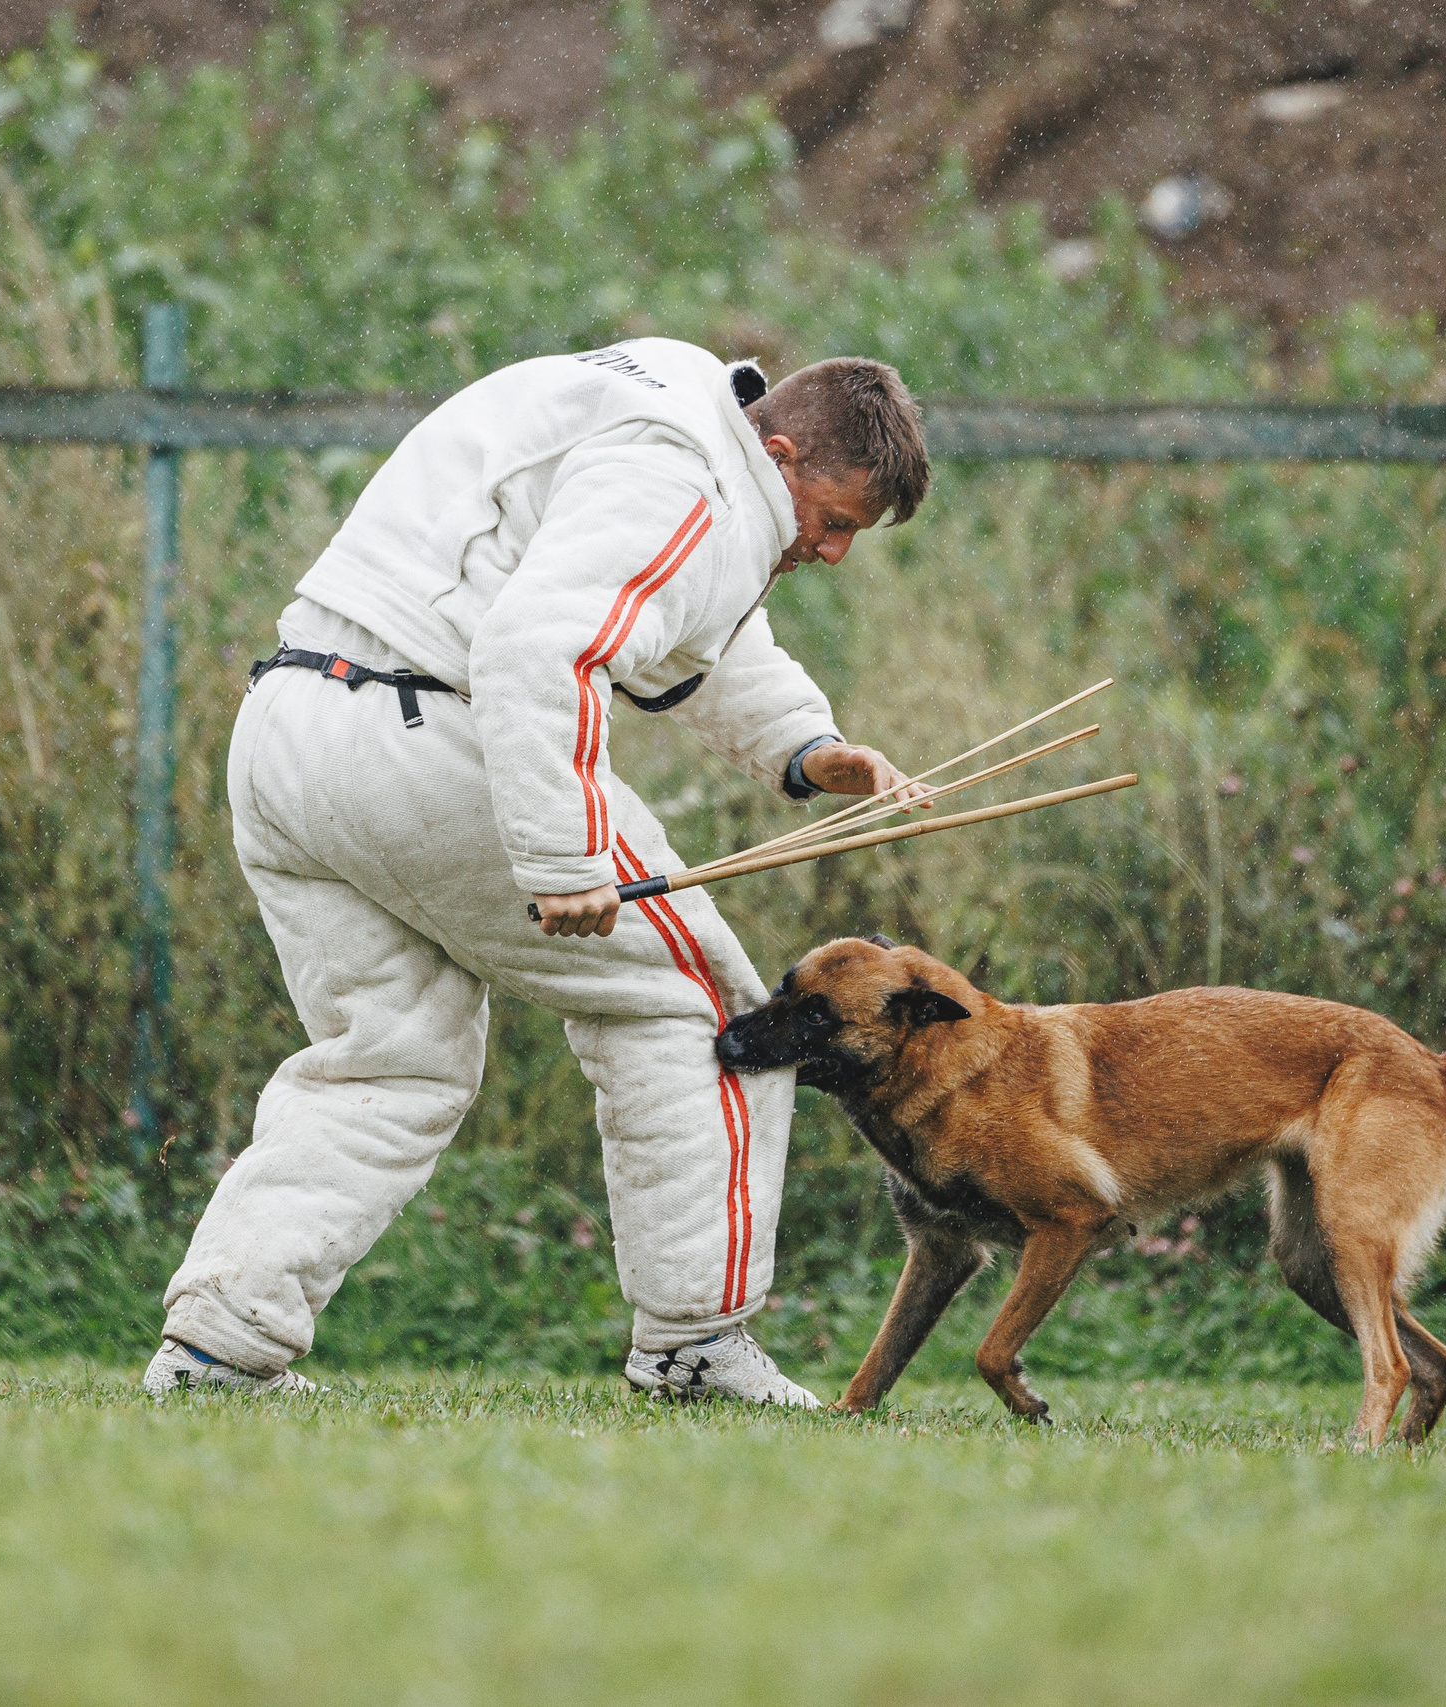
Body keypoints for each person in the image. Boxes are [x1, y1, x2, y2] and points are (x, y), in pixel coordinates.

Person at [142, 340, 932, 1404]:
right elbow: (541, 647)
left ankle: (216, 1348)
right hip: (420, 734)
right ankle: (695, 1343)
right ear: (781, 455)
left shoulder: (666, 410)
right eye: (833, 522)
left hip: (291, 722)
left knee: (390, 1057)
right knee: (705, 1010)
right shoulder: (687, 476)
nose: (832, 551)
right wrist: (561, 856)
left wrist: (803, 744)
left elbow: (679, 609)